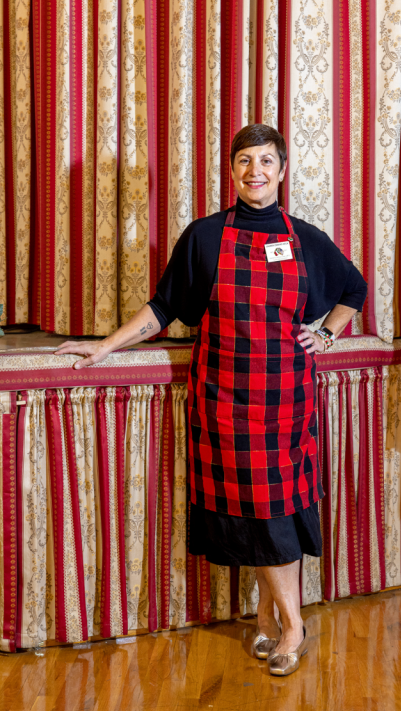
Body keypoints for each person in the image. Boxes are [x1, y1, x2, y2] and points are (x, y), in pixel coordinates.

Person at [55, 124, 367, 676]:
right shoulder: (203, 236)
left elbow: (354, 289)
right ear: (232, 171)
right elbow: (162, 307)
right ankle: (273, 620)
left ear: (282, 171)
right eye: (245, 161)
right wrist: (106, 346)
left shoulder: (306, 238)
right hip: (222, 395)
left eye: (266, 161)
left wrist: (326, 334)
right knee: (253, 508)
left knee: (278, 507)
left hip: (285, 397)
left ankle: (287, 625)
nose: (256, 171)